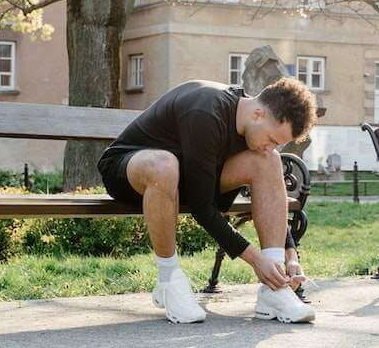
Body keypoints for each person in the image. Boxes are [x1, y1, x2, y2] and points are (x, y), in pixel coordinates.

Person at [96, 77, 318, 324]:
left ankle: (275, 288)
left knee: (269, 161)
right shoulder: (206, 111)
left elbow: (245, 188)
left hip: (187, 178)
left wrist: (289, 255)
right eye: (272, 139)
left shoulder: (249, 124)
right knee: (164, 165)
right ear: (257, 114)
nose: (270, 146)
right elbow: (203, 209)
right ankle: (168, 280)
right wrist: (256, 261)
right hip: (130, 169)